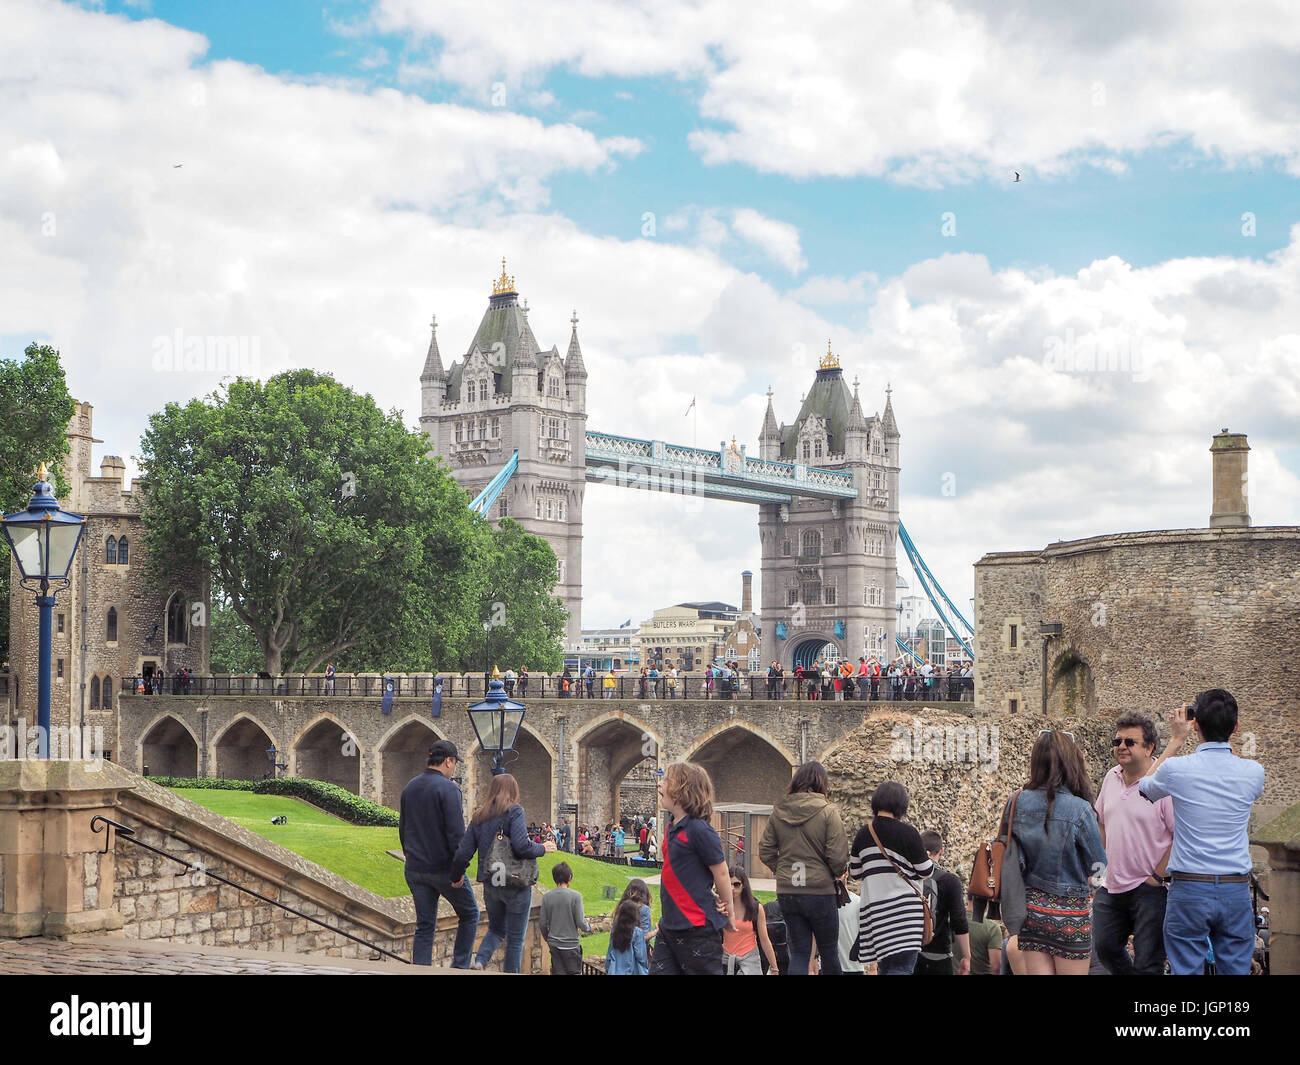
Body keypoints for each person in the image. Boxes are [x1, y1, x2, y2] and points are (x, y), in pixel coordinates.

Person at [1138, 690, 1265, 976]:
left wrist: (1175, 740)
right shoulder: (1254, 772)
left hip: (1190, 888)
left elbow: (1144, 787)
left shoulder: (1176, 769)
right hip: (1235, 888)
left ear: (1195, 725)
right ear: (1236, 727)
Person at [1009, 730, 1107, 975]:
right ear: (1071, 762)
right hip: (1072, 915)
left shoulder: (1017, 801)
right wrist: (1091, 887)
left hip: (1031, 912)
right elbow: (1099, 868)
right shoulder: (1081, 809)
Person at [1093, 710, 1174, 976]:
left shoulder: (1163, 785)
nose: (1121, 747)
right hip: (1112, 885)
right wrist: (1103, 865)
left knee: (1148, 963)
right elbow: (1102, 821)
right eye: (1117, 742)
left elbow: (1179, 835)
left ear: (1150, 747)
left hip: (1148, 888)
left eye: (1130, 742)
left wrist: (1156, 876)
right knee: (1104, 947)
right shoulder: (1111, 777)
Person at [759, 760, 849, 975]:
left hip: (789, 890)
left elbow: (765, 851)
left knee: (799, 952)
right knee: (828, 952)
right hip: (820, 891)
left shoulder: (778, 812)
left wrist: (781, 869)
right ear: (822, 783)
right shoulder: (828, 812)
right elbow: (838, 856)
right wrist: (836, 873)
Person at [451, 772, 546, 973]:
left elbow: (463, 852)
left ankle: (480, 962)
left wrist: (457, 874)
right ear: (513, 791)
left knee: (495, 929)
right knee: (515, 939)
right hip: (515, 882)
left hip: (492, 881)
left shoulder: (479, 816)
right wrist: (543, 848)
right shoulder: (515, 811)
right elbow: (521, 846)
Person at [398, 740, 479, 967]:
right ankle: (459, 968)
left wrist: (410, 856)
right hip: (443, 869)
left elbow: (403, 829)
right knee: (470, 914)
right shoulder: (449, 788)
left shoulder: (410, 787)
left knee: (424, 925)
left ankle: (420, 971)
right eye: (454, 763)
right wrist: (458, 872)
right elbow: (456, 836)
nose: (454, 769)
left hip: (415, 868)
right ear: (448, 761)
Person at [650, 762, 734, 975]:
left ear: (682, 790)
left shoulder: (700, 830)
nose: (659, 784)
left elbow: (721, 872)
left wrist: (729, 912)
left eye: (666, 780)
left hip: (697, 929)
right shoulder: (671, 827)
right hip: (669, 926)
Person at [850, 781, 932, 975]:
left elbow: (854, 872)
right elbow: (926, 871)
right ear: (901, 805)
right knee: (902, 968)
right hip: (905, 914)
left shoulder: (863, 834)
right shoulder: (908, 833)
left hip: (876, 915)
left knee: (886, 968)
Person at [915, 830, 971, 975]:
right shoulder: (950, 881)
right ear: (941, 852)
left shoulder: (909, 878)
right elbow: (959, 921)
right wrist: (967, 956)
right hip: (939, 957)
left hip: (911, 956)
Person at [722, 864, 779, 974]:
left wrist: (774, 967)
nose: (732, 888)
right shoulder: (721, 906)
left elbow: (764, 939)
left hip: (750, 961)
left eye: (736, 884)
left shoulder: (756, 908)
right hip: (726, 960)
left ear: (743, 885)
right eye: (729, 884)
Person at [540, 861, 590, 974]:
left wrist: (548, 938)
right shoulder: (576, 896)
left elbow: (542, 923)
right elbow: (581, 922)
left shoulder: (547, 897)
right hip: (571, 945)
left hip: (554, 944)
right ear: (570, 877)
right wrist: (589, 928)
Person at [605, 899, 650, 975]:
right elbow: (641, 956)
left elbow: (610, 954)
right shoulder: (637, 932)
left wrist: (607, 968)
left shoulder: (615, 931)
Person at [965, 897, 1004, 975]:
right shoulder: (992, 928)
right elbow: (996, 967)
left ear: (968, 898)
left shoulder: (951, 920)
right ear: (987, 902)